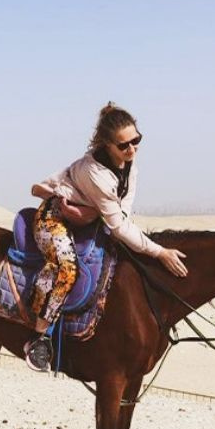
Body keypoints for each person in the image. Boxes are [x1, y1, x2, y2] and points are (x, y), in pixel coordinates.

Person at [23, 102, 189, 372]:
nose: (131, 149)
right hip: (55, 218)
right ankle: (39, 337)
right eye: (124, 145)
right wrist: (159, 252)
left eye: (136, 140)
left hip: (94, 220)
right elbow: (119, 225)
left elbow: (124, 209)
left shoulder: (129, 165)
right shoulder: (95, 173)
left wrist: (106, 220)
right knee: (66, 268)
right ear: (107, 144)